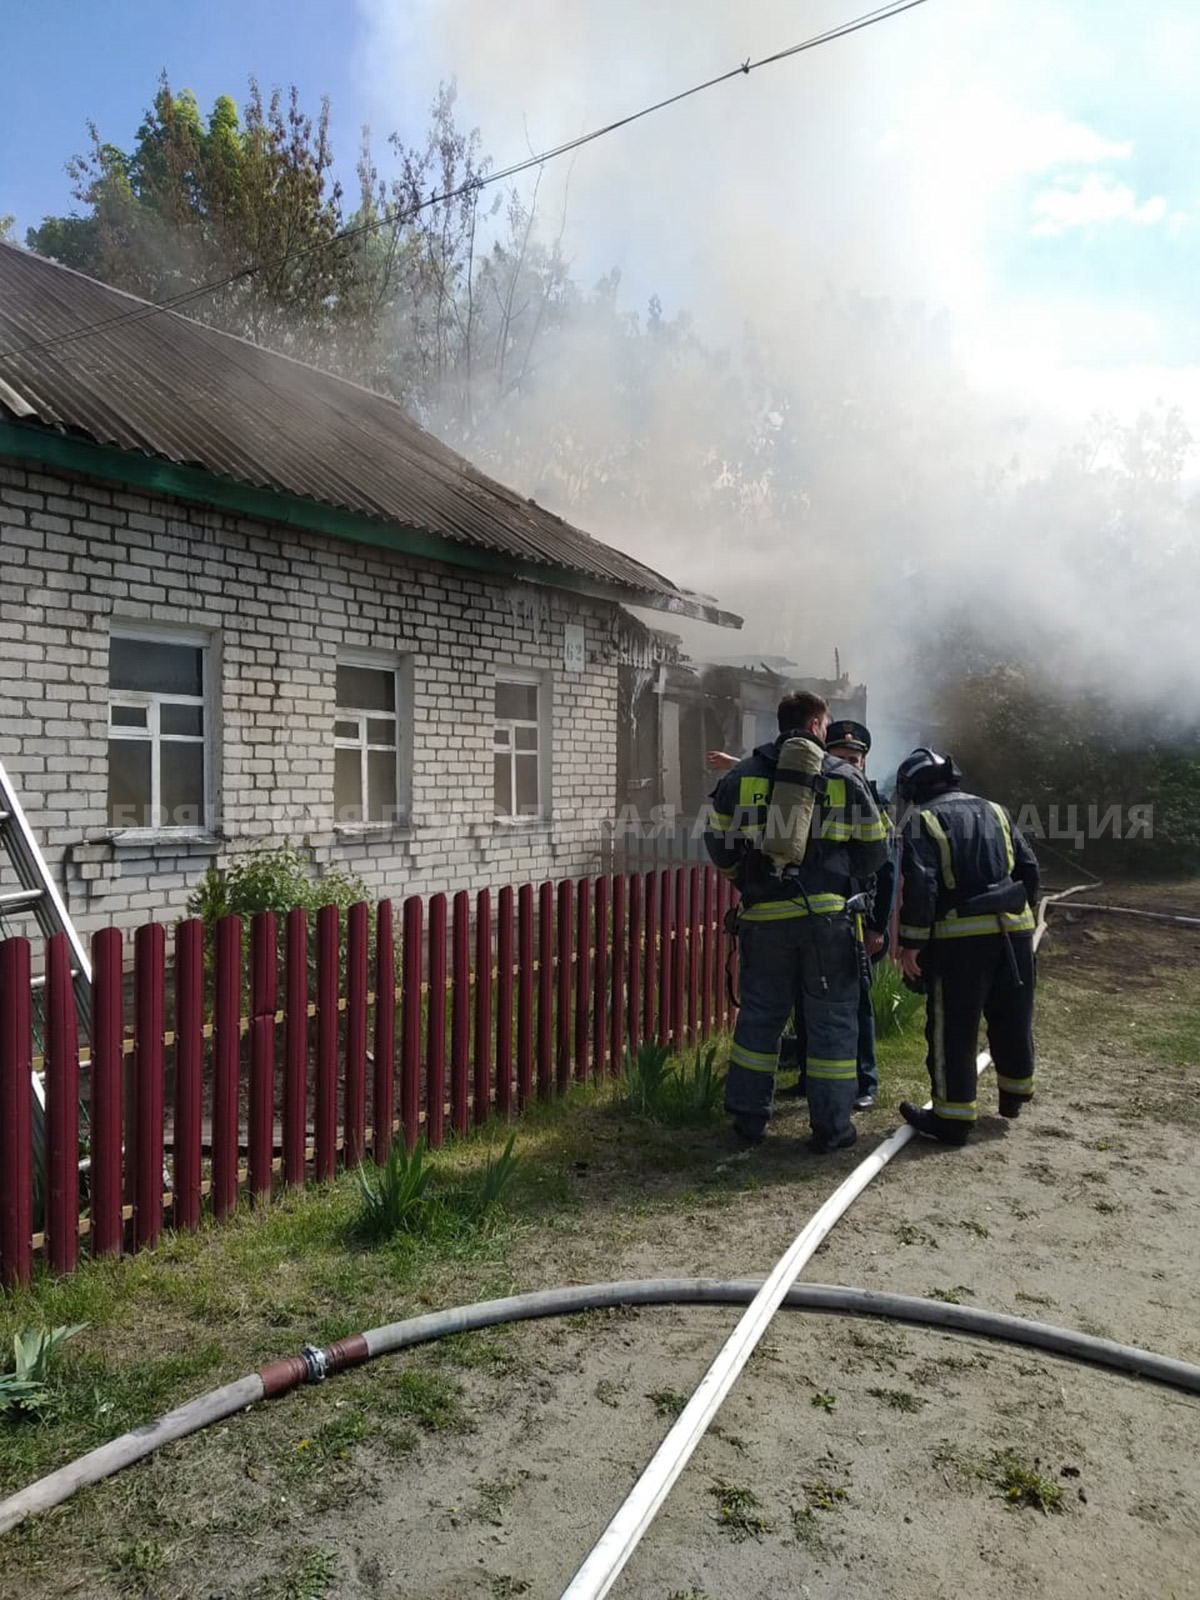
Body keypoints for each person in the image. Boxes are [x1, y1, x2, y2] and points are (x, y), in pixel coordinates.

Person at [704, 692, 890, 1151]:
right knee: (832, 1022)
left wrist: (745, 883)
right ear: (814, 725)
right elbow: (875, 851)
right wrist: (844, 880)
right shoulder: (846, 777)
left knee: (760, 1019)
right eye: (826, 726)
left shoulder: (742, 775)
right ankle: (831, 1128)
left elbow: (717, 842)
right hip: (828, 922)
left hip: (763, 920)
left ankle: (748, 1120)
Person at [892, 747, 1040, 1145]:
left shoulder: (924, 819)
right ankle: (1014, 1094)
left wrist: (911, 944)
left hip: (960, 941)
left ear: (915, 787)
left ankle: (952, 1118)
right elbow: (1029, 869)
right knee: (1012, 1013)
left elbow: (922, 887)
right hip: (1016, 932)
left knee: (954, 1029)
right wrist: (1019, 914)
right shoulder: (997, 810)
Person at [785, 720, 896, 1110]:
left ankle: (865, 1082)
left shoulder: (873, 803)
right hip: (815, 915)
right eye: (839, 756)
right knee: (807, 997)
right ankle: (808, 1077)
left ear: (864, 763)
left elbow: (887, 869)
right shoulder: (810, 795)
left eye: (854, 758)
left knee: (858, 1000)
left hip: (855, 917)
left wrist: (879, 927)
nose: (848, 763)